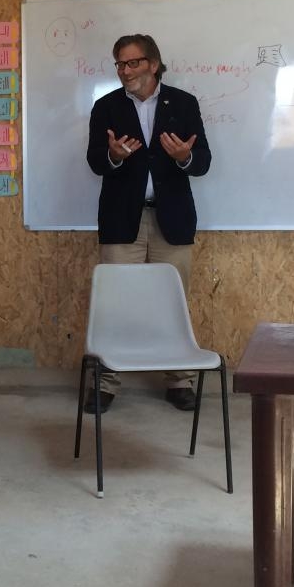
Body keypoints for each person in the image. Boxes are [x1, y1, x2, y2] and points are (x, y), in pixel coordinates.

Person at [84, 33, 212, 414]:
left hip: (171, 218)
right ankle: (106, 383)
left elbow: (203, 161)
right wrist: (114, 155)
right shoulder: (105, 107)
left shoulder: (184, 103)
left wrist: (185, 156)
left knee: (172, 303)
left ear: (153, 64)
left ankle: (179, 381)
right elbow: (95, 162)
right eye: (120, 64)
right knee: (114, 305)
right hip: (122, 218)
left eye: (133, 62)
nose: (126, 71)